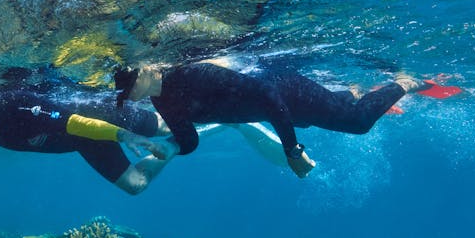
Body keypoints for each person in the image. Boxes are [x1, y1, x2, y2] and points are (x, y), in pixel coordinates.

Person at [114, 57, 433, 178]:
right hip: (278, 108)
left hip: (284, 90)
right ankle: (352, 90)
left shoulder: (192, 74)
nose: (127, 96)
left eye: (128, 86)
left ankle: (405, 81)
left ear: (147, 69)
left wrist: (291, 150)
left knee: (356, 123)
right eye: (123, 93)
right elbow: (189, 140)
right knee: (320, 114)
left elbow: (267, 94)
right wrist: (170, 148)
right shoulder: (161, 101)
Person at [0, 78, 178, 194]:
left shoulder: (14, 104)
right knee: (135, 185)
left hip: (97, 115)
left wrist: (124, 135)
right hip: (83, 141)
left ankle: (194, 119)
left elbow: (73, 122)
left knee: (164, 126)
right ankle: (176, 146)